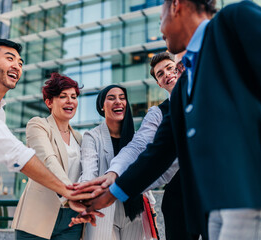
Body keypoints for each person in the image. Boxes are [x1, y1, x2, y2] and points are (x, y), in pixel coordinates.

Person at [76, 0, 261, 239]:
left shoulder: (234, 21)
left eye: (160, 14)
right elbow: (158, 151)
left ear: (176, 6)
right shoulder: (185, 84)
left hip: (260, 201)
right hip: (214, 213)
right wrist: (111, 193)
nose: (160, 28)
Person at [0, 39, 94, 240]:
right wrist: (68, 192)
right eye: (10, 58)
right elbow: (15, 153)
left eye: (20, 63)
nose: (17, 66)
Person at [71, 52, 199, 240]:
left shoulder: (205, 89)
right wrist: (112, 177)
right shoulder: (158, 114)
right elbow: (140, 148)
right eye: (160, 74)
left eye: (170, 68)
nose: (168, 74)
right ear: (159, 83)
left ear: (181, 68)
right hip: (179, 198)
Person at [11, 73, 87, 240]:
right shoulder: (38, 125)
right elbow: (48, 161)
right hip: (37, 216)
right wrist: (71, 195)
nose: (70, 101)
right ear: (49, 102)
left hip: (71, 220)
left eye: (73, 96)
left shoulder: (80, 138)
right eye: (63, 96)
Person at [78, 85, 150, 240]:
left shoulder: (136, 138)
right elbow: (89, 170)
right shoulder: (92, 136)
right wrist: (85, 197)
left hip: (134, 210)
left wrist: (151, 205)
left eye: (122, 98)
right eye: (111, 98)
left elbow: (145, 172)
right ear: (102, 106)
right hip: (104, 209)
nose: (118, 102)